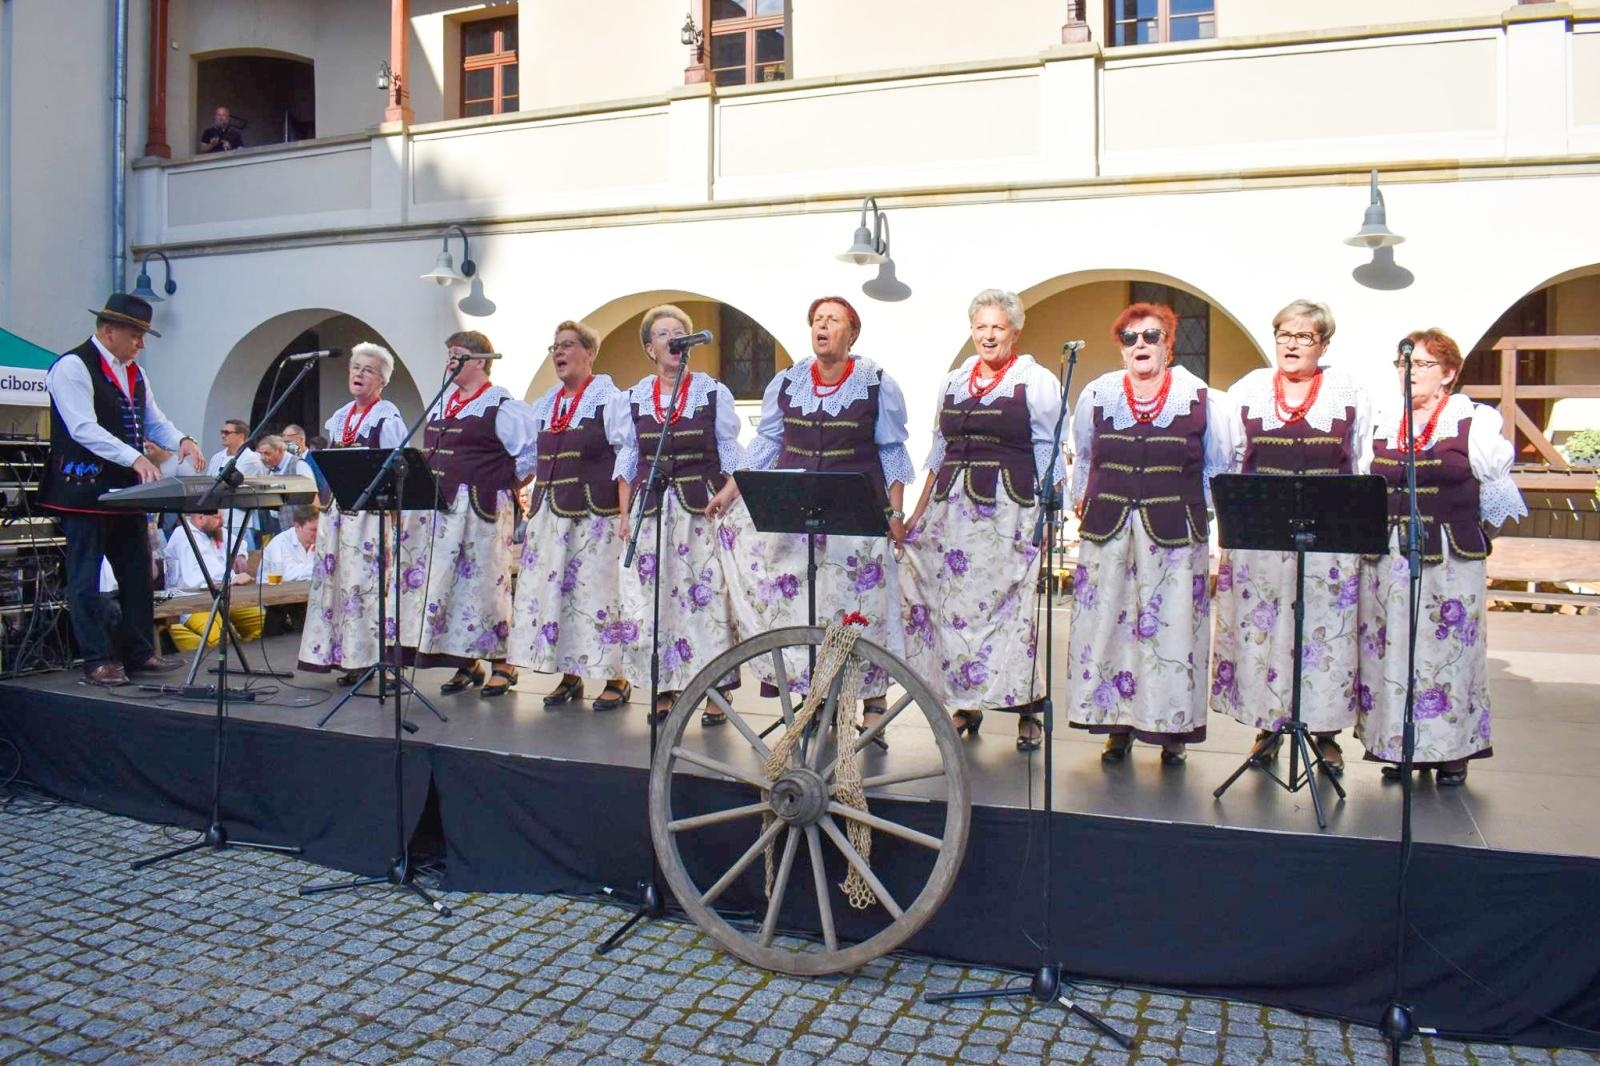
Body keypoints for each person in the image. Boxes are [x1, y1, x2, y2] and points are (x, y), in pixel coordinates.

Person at [714, 296, 911, 743]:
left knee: (858, 608)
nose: (823, 327)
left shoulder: (876, 383)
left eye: (833, 320)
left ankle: (870, 702)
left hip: (853, 510)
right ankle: (813, 697)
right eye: (817, 320)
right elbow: (767, 442)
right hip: (797, 508)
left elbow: (892, 450)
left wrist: (896, 512)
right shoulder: (788, 381)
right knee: (806, 606)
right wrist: (730, 491)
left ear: (852, 333)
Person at [1355, 330, 1527, 786]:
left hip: (1450, 557)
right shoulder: (1384, 421)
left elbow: (1495, 495)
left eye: (1424, 365)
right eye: (1403, 364)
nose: (1409, 373)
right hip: (1389, 556)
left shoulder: (1474, 420)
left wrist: (1465, 533)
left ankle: (1452, 750)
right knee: (1394, 652)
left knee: (1447, 653)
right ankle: (1401, 746)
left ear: (1448, 373)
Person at [1209, 300, 1371, 775]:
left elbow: (1359, 462)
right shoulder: (1250, 390)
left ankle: (1325, 734)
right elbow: (1230, 459)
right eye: (1284, 335)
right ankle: (1269, 726)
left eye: (1304, 337)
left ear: (1323, 343)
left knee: (1324, 636)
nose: (1292, 345)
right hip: (1263, 537)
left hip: (1329, 541)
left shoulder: (1349, 391)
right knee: (1267, 634)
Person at [1066, 302, 1230, 766]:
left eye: (1151, 336)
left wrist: (1210, 536)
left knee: (1173, 632)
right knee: (1110, 628)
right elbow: (1085, 457)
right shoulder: (1097, 394)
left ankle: (1171, 728)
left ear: (1169, 344)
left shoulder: (1198, 396)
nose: (1141, 344)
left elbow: (1216, 469)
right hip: (1109, 528)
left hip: (1175, 533)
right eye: (1130, 337)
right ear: (1120, 348)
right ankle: (1117, 725)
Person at [901, 290, 1062, 752]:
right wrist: (917, 510)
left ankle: (1026, 708)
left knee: (1012, 609)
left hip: (1008, 508)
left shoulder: (1036, 380)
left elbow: (1047, 448)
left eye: (997, 327)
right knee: (954, 609)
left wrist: (1050, 511)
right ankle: (965, 701)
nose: (988, 335)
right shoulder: (953, 381)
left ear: (1015, 331)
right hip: (953, 511)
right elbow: (939, 446)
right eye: (980, 327)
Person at [40, 293, 205, 686]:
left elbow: (153, 420)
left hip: (126, 493)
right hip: (83, 491)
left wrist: (182, 438)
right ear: (108, 330)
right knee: (85, 580)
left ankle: (139, 652)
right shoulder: (72, 367)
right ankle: (96, 658)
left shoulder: (135, 373)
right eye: (136, 334)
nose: (141, 344)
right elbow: (83, 427)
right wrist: (134, 458)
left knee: (137, 574)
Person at [615, 305, 742, 722]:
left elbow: (732, 457)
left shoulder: (711, 393)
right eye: (663, 333)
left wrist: (725, 493)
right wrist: (623, 515)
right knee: (655, 601)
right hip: (651, 512)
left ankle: (716, 691)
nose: (672, 339)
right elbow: (629, 460)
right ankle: (665, 685)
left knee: (705, 599)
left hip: (699, 511)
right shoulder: (633, 398)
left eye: (678, 332)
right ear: (650, 348)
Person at [397, 331, 536, 698]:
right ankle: (466, 660)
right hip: (440, 510)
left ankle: (503, 662)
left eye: (457, 354)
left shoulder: (501, 404)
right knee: (451, 588)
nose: (450, 361)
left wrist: (502, 485)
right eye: (449, 354)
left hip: (480, 508)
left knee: (486, 585)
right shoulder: (444, 402)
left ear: (479, 361)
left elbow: (528, 455)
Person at [506, 320, 634, 710]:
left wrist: (626, 513)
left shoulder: (610, 399)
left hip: (596, 516)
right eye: (554, 347)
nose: (559, 353)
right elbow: (529, 459)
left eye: (567, 345)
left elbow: (627, 455)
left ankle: (617, 676)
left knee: (599, 597)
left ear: (589, 352)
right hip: (550, 516)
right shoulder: (546, 403)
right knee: (556, 598)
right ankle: (570, 674)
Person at [296, 342, 408, 682]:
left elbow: (397, 470)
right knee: (340, 585)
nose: (359, 374)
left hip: (367, 518)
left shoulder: (387, 419)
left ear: (382, 381)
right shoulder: (340, 417)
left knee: (364, 586)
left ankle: (373, 658)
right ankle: (350, 658)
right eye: (355, 367)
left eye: (368, 370)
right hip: (336, 515)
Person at [162, 510, 263, 651]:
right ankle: (178, 641)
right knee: (219, 640)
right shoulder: (183, 535)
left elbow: (238, 542)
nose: (221, 521)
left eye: (221, 517)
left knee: (263, 624)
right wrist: (233, 578)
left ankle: (244, 653)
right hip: (194, 603)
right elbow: (196, 579)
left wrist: (240, 555)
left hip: (226, 598)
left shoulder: (215, 530)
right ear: (200, 517)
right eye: (216, 517)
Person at [258, 505, 318, 583]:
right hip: (269, 591)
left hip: (298, 590)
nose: (317, 534)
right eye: (313, 530)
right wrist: (319, 569)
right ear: (297, 526)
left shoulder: (316, 543)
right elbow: (286, 575)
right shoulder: (279, 544)